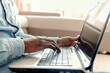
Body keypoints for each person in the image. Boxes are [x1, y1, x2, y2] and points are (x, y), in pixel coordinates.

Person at [0, 0, 79, 73]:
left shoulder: (8, 1)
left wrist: (57, 41)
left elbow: (18, 35)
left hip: (19, 62)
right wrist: (24, 45)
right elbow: (22, 43)